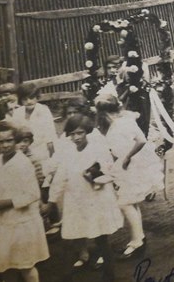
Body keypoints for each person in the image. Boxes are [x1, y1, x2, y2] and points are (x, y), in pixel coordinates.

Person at [48, 115, 122, 282]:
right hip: (75, 200)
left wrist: (95, 175)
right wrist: (51, 201)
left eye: (80, 133)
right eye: (72, 134)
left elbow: (111, 171)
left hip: (97, 200)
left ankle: (109, 276)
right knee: (70, 237)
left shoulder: (98, 149)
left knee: (101, 238)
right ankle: (68, 275)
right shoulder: (67, 151)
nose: (76, 138)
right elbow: (60, 177)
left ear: (88, 132)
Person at [95, 94, 164, 259]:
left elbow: (141, 140)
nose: (105, 116)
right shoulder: (110, 125)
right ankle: (138, 237)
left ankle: (137, 241)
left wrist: (127, 157)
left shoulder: (124, 122)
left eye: (106, 112)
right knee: (131, 201)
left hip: (132, 165)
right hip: (124, 165)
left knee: (124, 203)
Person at [0, 121, 49, 282]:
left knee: (25, 266)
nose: (5, 145)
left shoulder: (23, 163)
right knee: (6, 267)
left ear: (15, 141)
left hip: (22, 221)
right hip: (4, 222)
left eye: (9, 141)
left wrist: (9, 202)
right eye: (1, 142)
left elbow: (33, 194)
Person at [11, 83, 57, 161]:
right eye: (25, 99)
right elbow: (14, 133)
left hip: (40, 149)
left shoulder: (44, 111)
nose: (28, 101)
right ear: (20, 100)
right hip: (22, 149)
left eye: (31, 98)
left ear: (37, 97)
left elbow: (50, 136)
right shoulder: (17, 112)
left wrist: (51, 156)